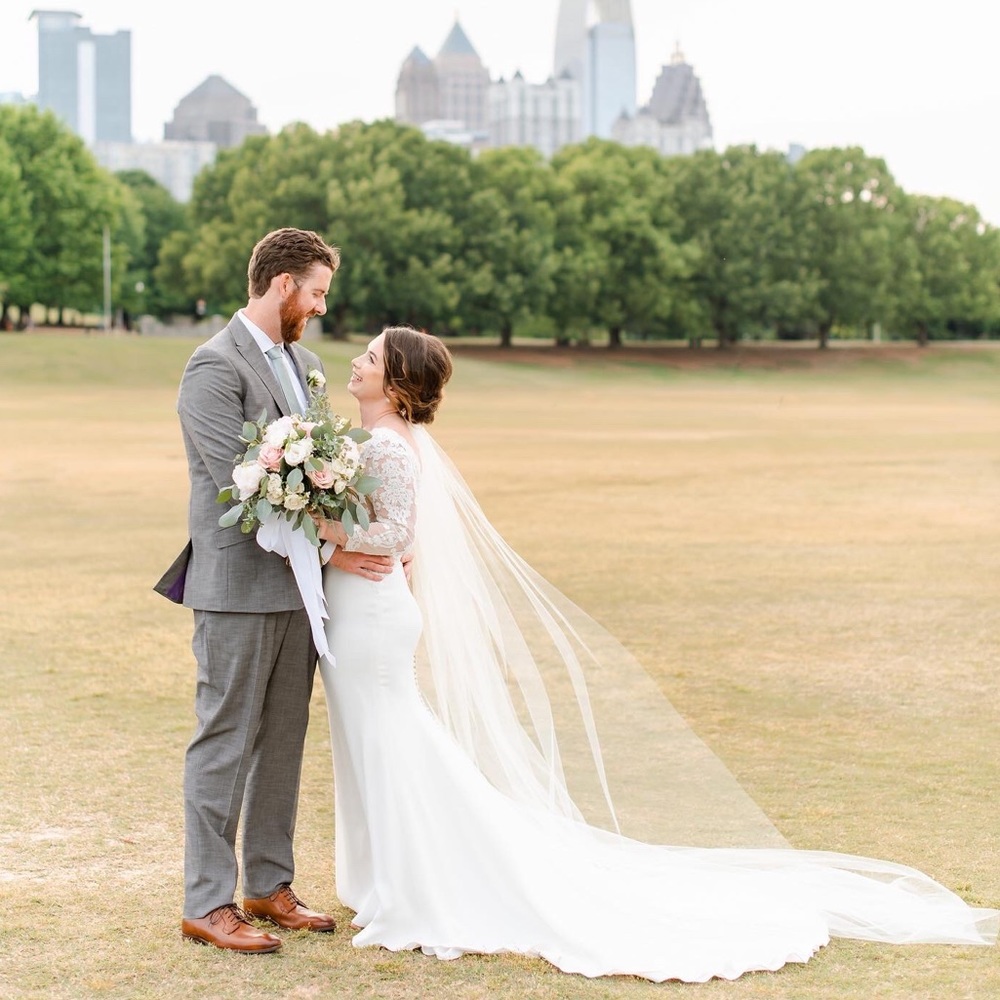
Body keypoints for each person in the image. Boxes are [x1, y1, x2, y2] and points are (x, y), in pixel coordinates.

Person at [313, 324, 998, 983]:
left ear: (396, 383)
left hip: (372, 621)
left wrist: (322, 531)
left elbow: (395, 534)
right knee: (377, 740)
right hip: (365, 613)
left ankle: (419, 882)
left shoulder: (389, 447)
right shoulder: (378, 440)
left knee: (392, 740)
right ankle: (386, 875)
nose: (357, 362)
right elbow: (405, 542)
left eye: (370, 357)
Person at [154, 228, 393, 954]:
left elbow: (319, 468)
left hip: (301, 591)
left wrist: (336, 542)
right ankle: (206, 902)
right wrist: (334, 543)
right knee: (225, 739)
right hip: (234, 583)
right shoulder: (210, 367)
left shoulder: (307, 364)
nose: (321, 306)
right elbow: (242, 481)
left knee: (284, 739)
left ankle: (267, 883)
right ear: (284, 284)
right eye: (316, 292)